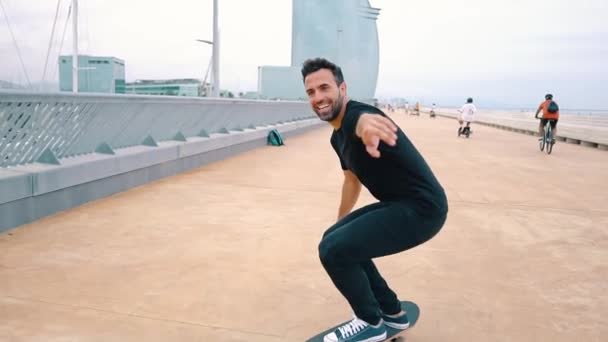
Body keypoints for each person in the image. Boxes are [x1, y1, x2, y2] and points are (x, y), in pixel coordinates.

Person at [301, 57, 448, 342]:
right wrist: (342, 224)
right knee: (336, 240)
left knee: (333, 250)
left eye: (324, 88)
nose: (318, 97)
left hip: (423, 209)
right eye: (311, 92)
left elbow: (364, 121)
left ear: (342, 88)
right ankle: (392, 314)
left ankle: (370, 324)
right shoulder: (336, 137)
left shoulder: (359, 115)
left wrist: (367, 127)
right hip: (399, 205)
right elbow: (351, 179)